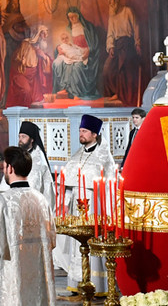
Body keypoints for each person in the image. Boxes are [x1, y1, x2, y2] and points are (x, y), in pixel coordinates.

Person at [0, 147, 57, 306]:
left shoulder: (2, 202)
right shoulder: (41, 200)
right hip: (38, 273)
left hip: (11, 274)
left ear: (10, 168)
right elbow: (52, 239)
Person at [59, 114, 117, 295]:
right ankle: (78, 284)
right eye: (80, 131)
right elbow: (69, 184)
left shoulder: (104, 157)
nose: (81, 134)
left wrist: (107, 211)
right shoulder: (77, 155)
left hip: (95, 207)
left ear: (95, 134)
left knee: (93, 241)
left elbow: (110, 185)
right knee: (77, 244)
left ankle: (96, 286)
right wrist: (65, 204)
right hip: (78, 208)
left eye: (84, 131)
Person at [0, 122, 55, 210]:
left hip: (33, 205)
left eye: (23, 137)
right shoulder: (18, 154)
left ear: (32, 139)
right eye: (19, 136)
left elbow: (35, 186)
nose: (20, 140)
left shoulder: (38, 159)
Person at [52, 7, 104, 100]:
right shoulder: (69, 28)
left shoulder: (87, 27)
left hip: (84, 52)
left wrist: (88, 50)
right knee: (61, 63)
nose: (72, 19)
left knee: (77, 66)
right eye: (70, 17)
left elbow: (94, 43)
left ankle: (76, 93)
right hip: (74, 51)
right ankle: (64, 89)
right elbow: (64, 42)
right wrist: (58, 48)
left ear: (78, 15)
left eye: (74, 16)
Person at [103, 0, 142, 106]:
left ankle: (123, 95)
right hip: (117, 44)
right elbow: (110, 33)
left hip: (128, 44)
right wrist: (110, 47)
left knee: (124, 70)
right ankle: (115, 92)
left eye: (112, 0)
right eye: (109, 1)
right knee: (107, 70)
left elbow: (136, 26)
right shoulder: (112, 16)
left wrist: (137, 43)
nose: (111, 3)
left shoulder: (127, 11)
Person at [7, 25, 52, 107]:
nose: (44, 37)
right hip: (22, 73)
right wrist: (22, 60)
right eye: (43, 34)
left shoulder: (40, 48)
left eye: (46, 35)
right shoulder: (26, 43)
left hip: (34, 76)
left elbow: (46, 68)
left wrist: (45, 58)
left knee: (39, 99)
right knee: (26, 91)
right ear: (37, 34)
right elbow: (17, 58)